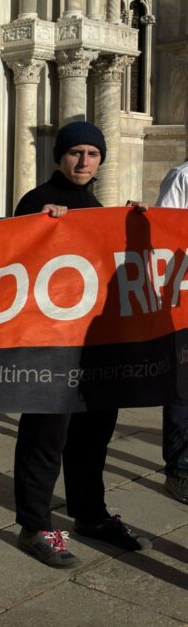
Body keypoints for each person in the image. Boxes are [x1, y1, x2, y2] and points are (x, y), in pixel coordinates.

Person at [12, 121, 149, 567]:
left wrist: (135, 224)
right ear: (59, 157)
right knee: (46, 434)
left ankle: (89, 514)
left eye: (93, 154)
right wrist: (37, 227)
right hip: (50, 345)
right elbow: (11, 260)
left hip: (94, 344)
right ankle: (34, 525)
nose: (84, 161)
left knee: (93, 434)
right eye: (76, 153)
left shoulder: (97, 205)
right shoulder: (36, 201)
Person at [153, 160, 188, 505]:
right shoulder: (183, 176)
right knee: (182, 386)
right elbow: (165, 233)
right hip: (185, 299)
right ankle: (179, 469)